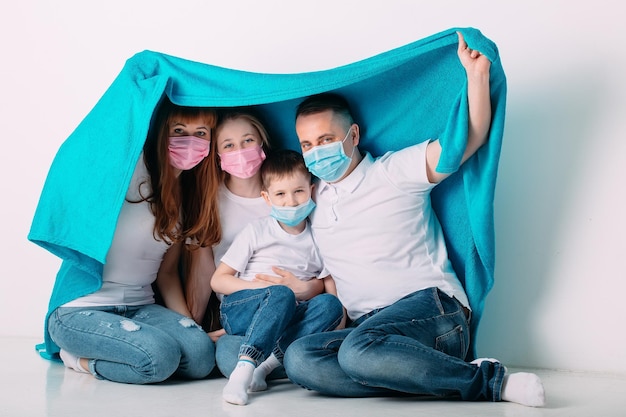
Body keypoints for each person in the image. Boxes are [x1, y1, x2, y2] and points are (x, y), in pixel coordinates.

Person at [280, 32, 546, 407]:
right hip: (369, 329)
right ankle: (412, 372)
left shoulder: (393, 171)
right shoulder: (311, 199)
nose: (316, 152)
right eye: (307, 145)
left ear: (353, 135)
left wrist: (476, 77)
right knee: (301, 359)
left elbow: (466, 141)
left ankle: (487, 381)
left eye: (325, 139)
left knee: (356, 353)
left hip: (434, 310)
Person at [46, 98, 219, 384]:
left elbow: (166, 274)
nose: (190, 141)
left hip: (141, 307)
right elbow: (101, 134)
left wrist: (191, 329)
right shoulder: (132, 170)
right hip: (81, 310)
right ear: (161, 133)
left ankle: (139, 349)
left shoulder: (186, 198)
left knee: (200, 358)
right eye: (179, 131)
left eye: (201, 133)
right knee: (159, 359)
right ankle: (78, 359)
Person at [184, 111, 327, 351]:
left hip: (297, 304)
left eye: (248, 140)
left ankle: (275, 354)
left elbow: (319, 256)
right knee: (229, 357)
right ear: (217, 154)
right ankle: (272, 353)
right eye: (229, 145)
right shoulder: (210, 202)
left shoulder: (291, 194)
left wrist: (310, 288)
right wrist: (193, 332)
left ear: (262, 142)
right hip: (244, 307)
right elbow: (205, 272)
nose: (240, 151)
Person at [211, 149, 344, 405]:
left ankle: (264, 367)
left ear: (312, 192)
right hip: (244, 307)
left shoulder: (318, 238)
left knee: (331, 305)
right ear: (267, 198)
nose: (291, 202)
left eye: (299, 191)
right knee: (280, 293)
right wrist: (258, 288)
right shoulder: (257, 230)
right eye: (280, 194)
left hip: (290, 314)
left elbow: (329, 287)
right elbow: (218, 280)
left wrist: (332, 315)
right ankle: (243, 370)